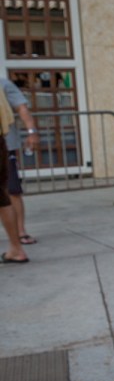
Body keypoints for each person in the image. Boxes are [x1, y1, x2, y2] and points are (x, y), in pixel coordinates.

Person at [1, 76, 39, 263]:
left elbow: (21, 107)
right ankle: (16, 245)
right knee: (6, 196)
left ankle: (19, 235)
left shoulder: (2, 83)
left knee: (10, 192)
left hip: (5, 145)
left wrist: (31, 131)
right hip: (3, 143)